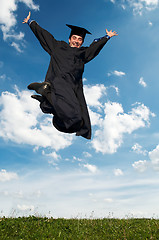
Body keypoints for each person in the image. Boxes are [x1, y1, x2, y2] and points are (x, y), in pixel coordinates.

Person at [23, 12, 118, 139]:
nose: (77, 41)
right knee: (73, 115)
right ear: (69, 39)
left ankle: (48, 101)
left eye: (80, 40)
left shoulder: (83, 53)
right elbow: (44, 36)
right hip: (58, 82)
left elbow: (94, 48)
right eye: (74, 38)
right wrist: (31, 23)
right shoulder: (58, 47)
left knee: (78, 123)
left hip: (74, 87)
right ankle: (47, 94)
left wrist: (107, 37)